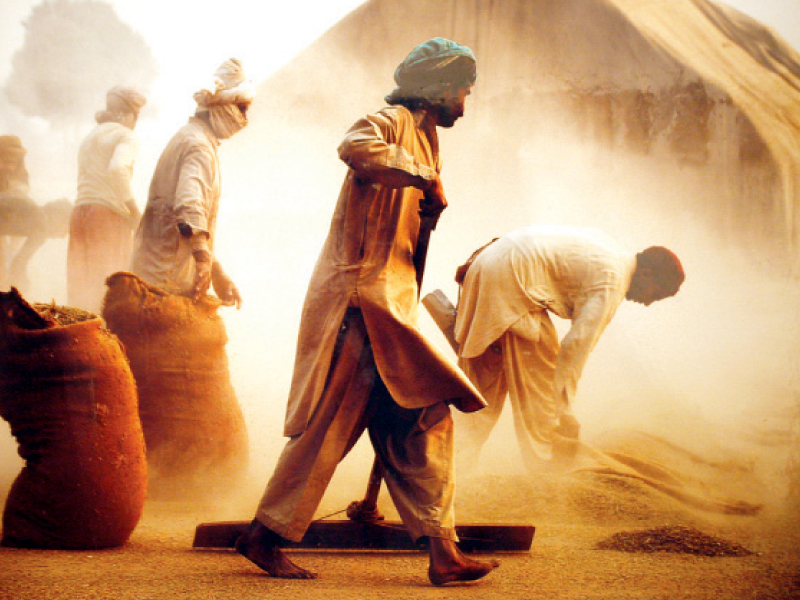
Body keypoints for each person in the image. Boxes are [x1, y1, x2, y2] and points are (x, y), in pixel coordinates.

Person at [235, 38, 499, 586]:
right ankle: (265, 534)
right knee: (330, 424)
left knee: (425, 421)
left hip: (392, 307)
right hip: (360, 305)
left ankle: (442, 551)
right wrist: (424, 178)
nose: (465, 105)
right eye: (462, 91)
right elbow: (355, 148)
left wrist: (428, 199)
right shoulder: (386, 120)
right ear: (438, 88)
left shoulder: (428, 142)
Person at [453, 224, 685, 470]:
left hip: (486, 265)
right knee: (543, 385)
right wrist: (565, 411)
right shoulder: (612, 281)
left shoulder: (608, 248)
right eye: (656, 295)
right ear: (647, 274)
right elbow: (576, 346)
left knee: (478, 391)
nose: (649, 303)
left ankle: (453, 465)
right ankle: (548, 471)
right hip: (512, 278)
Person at [130, 58, 251, 307]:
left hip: (156, 271)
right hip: (165, 279)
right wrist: (203, 262)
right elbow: (189, 206)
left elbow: (193, 221)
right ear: (221, 105)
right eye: (242, 108)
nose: (244, 118)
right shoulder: (199, 146)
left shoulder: (190, 138)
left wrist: (217, 273)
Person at [67, 86, 146, 313]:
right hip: (109, 216)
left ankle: (81, 340)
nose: (135, 122)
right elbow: (117, 169)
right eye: (136, 117)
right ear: (129, 115)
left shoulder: (91, 136)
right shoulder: (125, 135)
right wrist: (133, 211)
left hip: (80, 213)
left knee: (81, 286)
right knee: (109, 288)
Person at [0, 135, 55, 293]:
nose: (10, 167)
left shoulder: (18, 178)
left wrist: (17, 256)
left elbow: (21, 214)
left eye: (13, 163)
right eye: (5, 162)